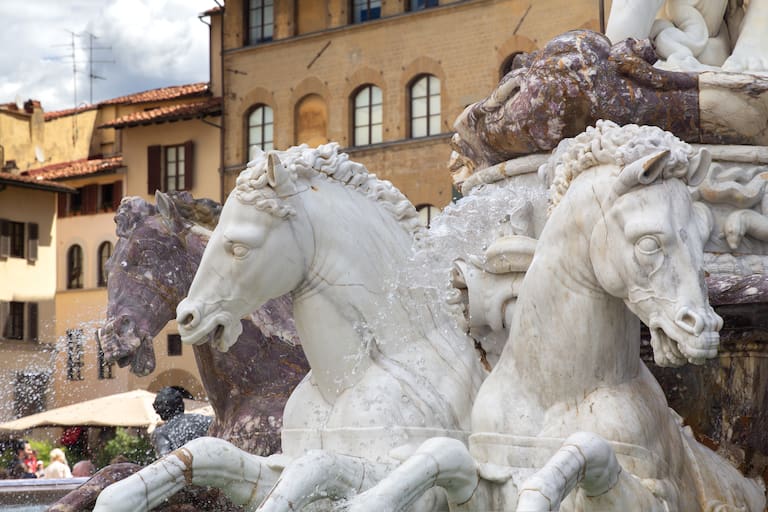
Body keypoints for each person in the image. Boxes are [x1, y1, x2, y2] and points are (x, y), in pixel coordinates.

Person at [150, 387, 212, 456]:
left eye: (156, 407)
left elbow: (166, 462)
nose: (156, 412)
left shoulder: (161, 432)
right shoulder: (204, 419)